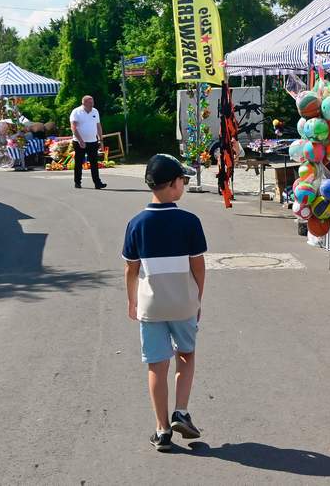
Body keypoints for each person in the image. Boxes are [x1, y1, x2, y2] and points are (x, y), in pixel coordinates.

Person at [123, 154, 207, 451]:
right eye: (182, 180)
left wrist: (132, 301)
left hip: (151, 306)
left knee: (156, 366)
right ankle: (180, 412)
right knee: (186, 355)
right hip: (183, 303)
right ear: (173, 184)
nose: (183, 185)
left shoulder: (136, 223)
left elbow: (131, 269)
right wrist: (197, 299)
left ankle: (161, 430)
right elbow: (198, 267)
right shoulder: (189, 222)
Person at [69, 95, 107, 189]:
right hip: (79, 142)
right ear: (84, 103)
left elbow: (98, 126)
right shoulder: (76, 112)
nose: (92, 104)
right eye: (90, 102)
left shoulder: (95, 111)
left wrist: (101, 140)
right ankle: (77, 182)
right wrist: (80, 140)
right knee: (79, 162)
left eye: (92, 102)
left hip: (93, 141)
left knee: (94, 163)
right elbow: (73, 127)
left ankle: (97, 183)